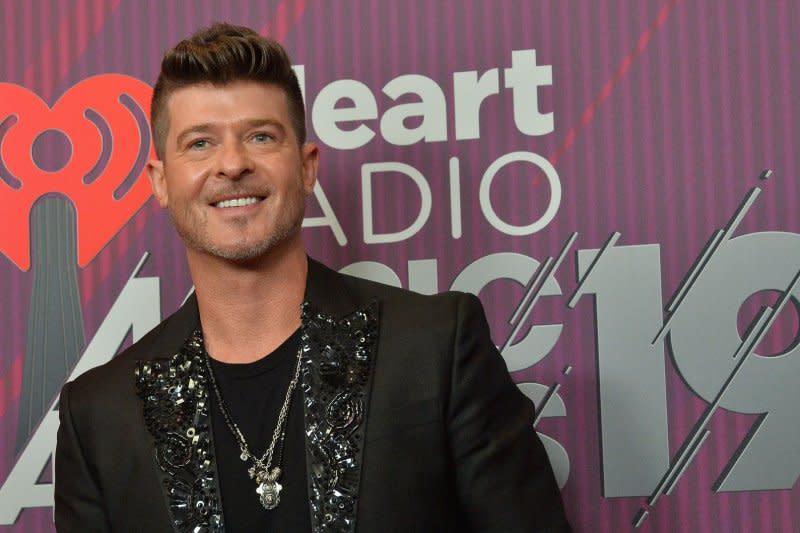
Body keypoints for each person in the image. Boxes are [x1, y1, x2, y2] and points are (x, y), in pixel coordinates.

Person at [54, 23, 571, 533]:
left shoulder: (437, 348)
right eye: (199, 144)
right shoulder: (100, 415)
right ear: (161, 181)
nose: (232, 163)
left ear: (306, 168)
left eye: (260, 136)